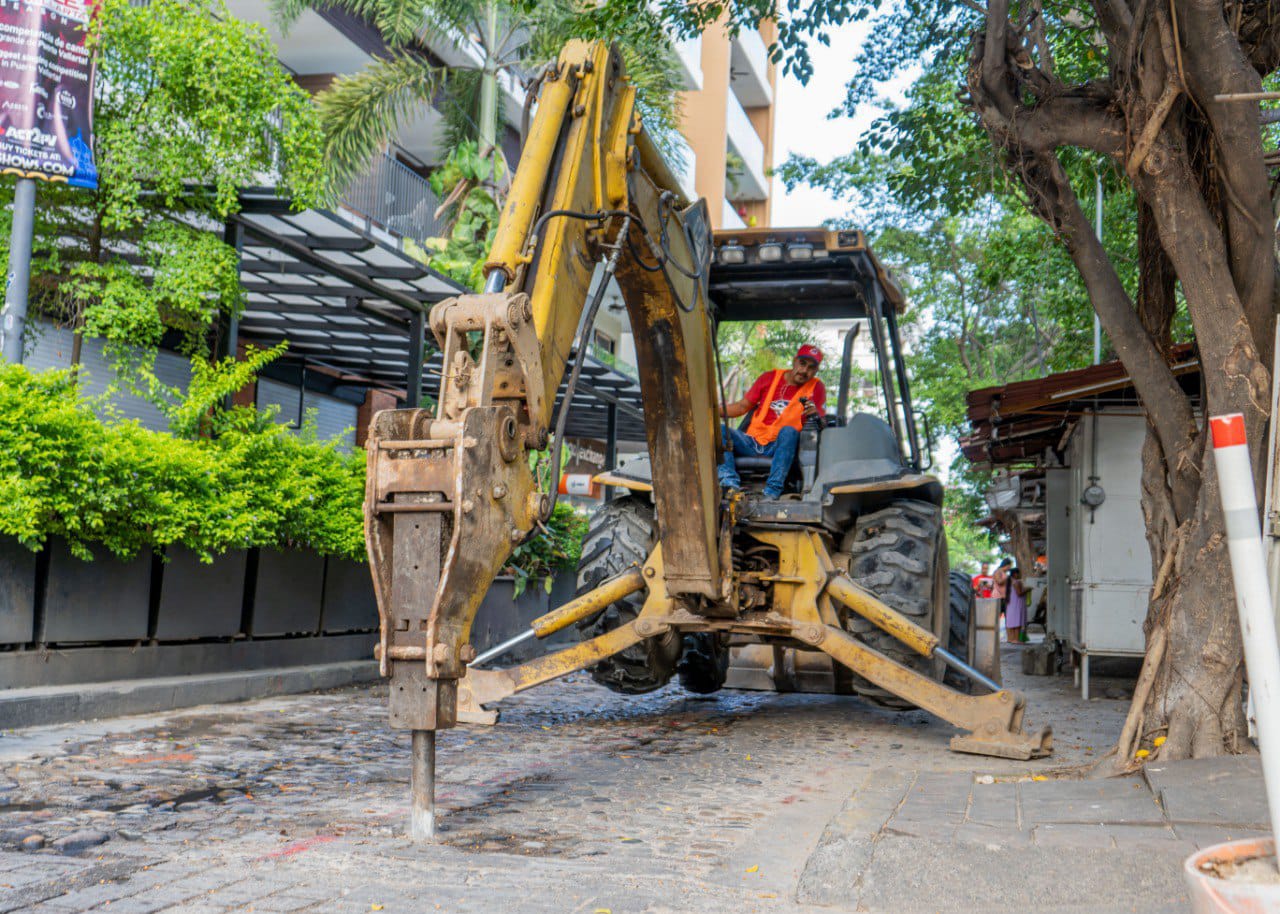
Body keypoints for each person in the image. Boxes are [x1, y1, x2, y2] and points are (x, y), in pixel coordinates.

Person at [717, 344, 826, 499]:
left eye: (811, 367)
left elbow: (821, 421)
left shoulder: (816, 387)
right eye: (802, 363)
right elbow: (741, 407)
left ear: (815, 371)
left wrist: (815, 414)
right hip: (752, 442)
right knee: (720, 430)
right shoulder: (769, 378)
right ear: (795, 361)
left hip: (780, 446)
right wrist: (711, 410)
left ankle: (771, 492)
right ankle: (730, 486)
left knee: (788, 431)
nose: (804, 371)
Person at [1004, 566, 1029, 643]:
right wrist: (1027, 590)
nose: (1019, 575)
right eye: (1018, 573)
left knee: (1012, 621)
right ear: (1015, 574)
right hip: (1017, 604)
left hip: (1011, 604)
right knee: (1017, 621)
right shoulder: (1016, 582)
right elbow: (1019, 593)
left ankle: (1011, 639)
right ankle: (1016, 639)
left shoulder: (1009, 581)